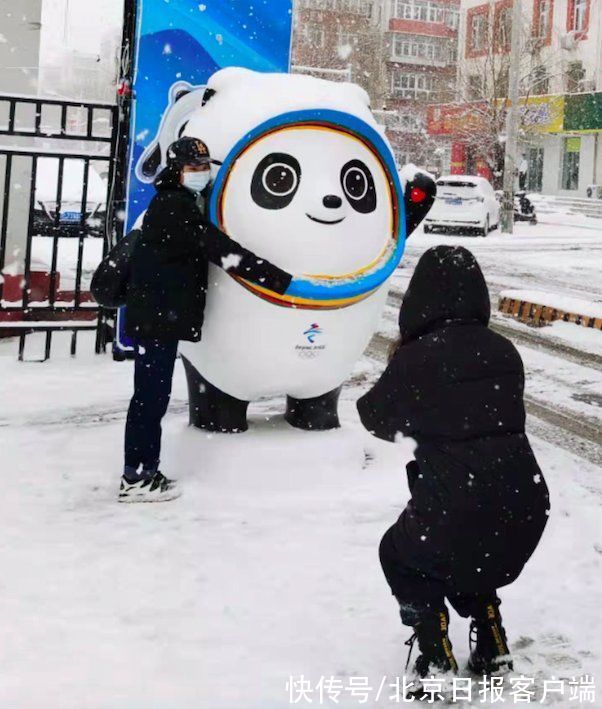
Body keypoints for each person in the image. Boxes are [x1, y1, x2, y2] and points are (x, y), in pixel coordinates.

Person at [356, 245, 549, 695]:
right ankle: (492, 639)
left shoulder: (418, 357)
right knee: (470, 554)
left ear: (419, 299)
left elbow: (375, 418)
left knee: (401, 555)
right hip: (525, 505)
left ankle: (435, 652)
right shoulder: (504, 351)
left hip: (458, 504)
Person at [120, 137, 293, 503]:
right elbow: (222, 251)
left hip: (156, 316)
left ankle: (141, 471)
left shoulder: (176, 201)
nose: (199, 174)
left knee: (151, 396)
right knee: (150, 399)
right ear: (175, 170)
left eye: (203, 167)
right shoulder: (174, 208)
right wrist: (279, 280)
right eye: (192, 168)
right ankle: (137, 477)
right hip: (156, 319)